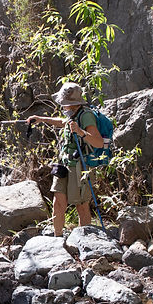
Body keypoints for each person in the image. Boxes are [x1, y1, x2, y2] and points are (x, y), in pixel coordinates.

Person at [27, 82, 104, 237]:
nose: (62, 104)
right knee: (58, 201)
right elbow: (62, 122)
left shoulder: (86, 115)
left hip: (81, 166)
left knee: (81, 206)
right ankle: (58, 238)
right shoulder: (71, 114)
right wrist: (41, 119)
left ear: (71, 102)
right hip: (66, 164)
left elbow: (98, 142)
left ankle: (85, 240)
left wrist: (81, 132)